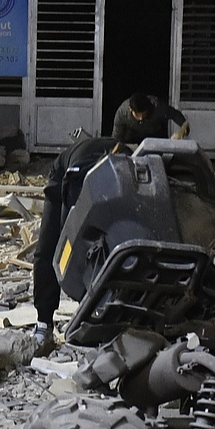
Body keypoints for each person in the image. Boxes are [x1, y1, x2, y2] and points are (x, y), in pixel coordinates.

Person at [31, 130, 127, 350]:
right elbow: (70, 234)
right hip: (63, 176)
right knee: (50, 248)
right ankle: (43, 323)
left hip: (104, 177)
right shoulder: (80, 177)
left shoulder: (129, 167)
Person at [110, 92, 189, 148]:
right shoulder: (122, 113)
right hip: (132, 139)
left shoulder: (157, 106)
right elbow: (117, 137)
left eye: (144, 114)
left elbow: (174, 114)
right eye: (137, 114)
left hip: (154, 137)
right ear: (130, 109)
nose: (141, 118)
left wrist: (184, 127)